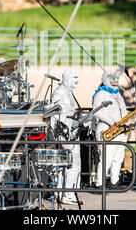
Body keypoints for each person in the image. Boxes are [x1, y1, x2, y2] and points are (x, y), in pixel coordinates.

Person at [50, 68, 82, 205]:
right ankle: (68, 194)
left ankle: (62, 193)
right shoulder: (60, 93)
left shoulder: (68, 92)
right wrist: (70, 122)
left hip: (70, 131)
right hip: (65, 133)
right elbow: (57, 114)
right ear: (68, 78)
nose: (77, 82)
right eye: (75, 78)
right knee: (73, 164)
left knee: (67, 164)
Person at [92, 68, 128, 190]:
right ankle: (100, 183)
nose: (115, 80)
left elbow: (123, 111)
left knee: (118, 158)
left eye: (116, 78)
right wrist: (111, 123)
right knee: (106, 158)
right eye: (112, 78)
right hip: (108, 128)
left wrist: (126, 127)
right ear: (106, 79)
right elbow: (97, 111)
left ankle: (114, 181)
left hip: (120, 130)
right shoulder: (101, 94)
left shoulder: (117, 94)